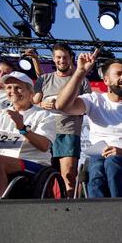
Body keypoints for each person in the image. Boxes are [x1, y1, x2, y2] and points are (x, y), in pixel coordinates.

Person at [55, 52, 122, 199]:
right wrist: (80, 72)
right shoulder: (94, 100)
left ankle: (116, 210)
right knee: (96, 168)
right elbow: (62, 105)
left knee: (112, 162)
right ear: (106, 80)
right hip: (99, 158)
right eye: (119, 74)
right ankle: (99, 215)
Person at [33, 43, 92, 197]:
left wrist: (68, 103)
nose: (62, 60)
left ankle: (69, 209)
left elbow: (88, 105)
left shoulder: (82, 80)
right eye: (58, 57)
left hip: (69, 131)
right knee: (44, 175)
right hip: (45, 132)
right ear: (53, 59)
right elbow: (32, 102)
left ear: (71, 58)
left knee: (69, 176)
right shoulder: (44, 79)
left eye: (65, 57)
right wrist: (41, 104)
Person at [0, 71, 55, 197]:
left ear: (30, 92)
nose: (13, 91)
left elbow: (44, 145)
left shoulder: (44, 115)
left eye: (18, 87)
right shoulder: (1, 114)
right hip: (5, 160)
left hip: (33, 163)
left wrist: (23, 128)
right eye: (9, 87)